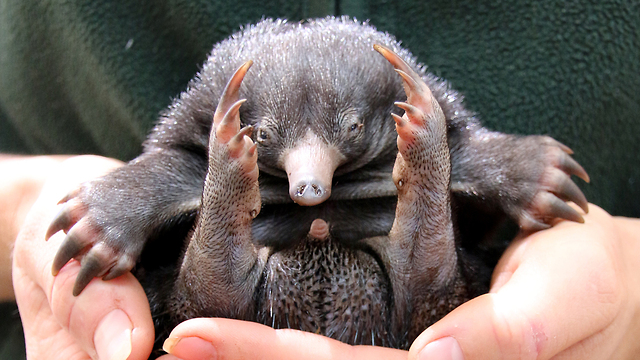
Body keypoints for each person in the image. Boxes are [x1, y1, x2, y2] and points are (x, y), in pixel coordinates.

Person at [8, 154, 640, 360]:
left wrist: (628, 294)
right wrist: (28, 213)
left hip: (424, 299)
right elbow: (176, 159)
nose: (310, 181)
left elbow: (479, 157)